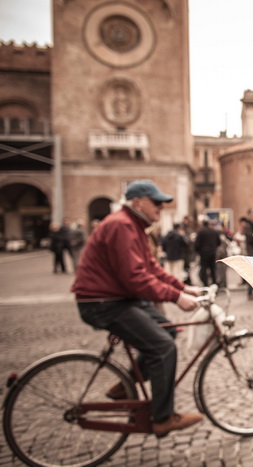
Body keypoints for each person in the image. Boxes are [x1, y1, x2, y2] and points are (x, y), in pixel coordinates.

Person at [71, 179, 203, 437]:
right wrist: (175, 297)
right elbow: (135, 278)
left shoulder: (134, 225)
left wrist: (183, 287)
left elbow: (151, 267)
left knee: (168, 330)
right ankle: (162, 417)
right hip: (103, 302)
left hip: (117, 297)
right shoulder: (121, 225)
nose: (161, 207)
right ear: (137, 202)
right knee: (163, 348)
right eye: (156, 202)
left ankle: (125, 385)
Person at [194, 219, 221, 286]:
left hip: (203, 254)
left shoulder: (200, 232)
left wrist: (199, 251)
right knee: (213, 270)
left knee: (204, 269)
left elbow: (196, 244)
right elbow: (219, 242)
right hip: (212, 253)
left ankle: (206, 285)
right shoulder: (213, 231)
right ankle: (214, 284)